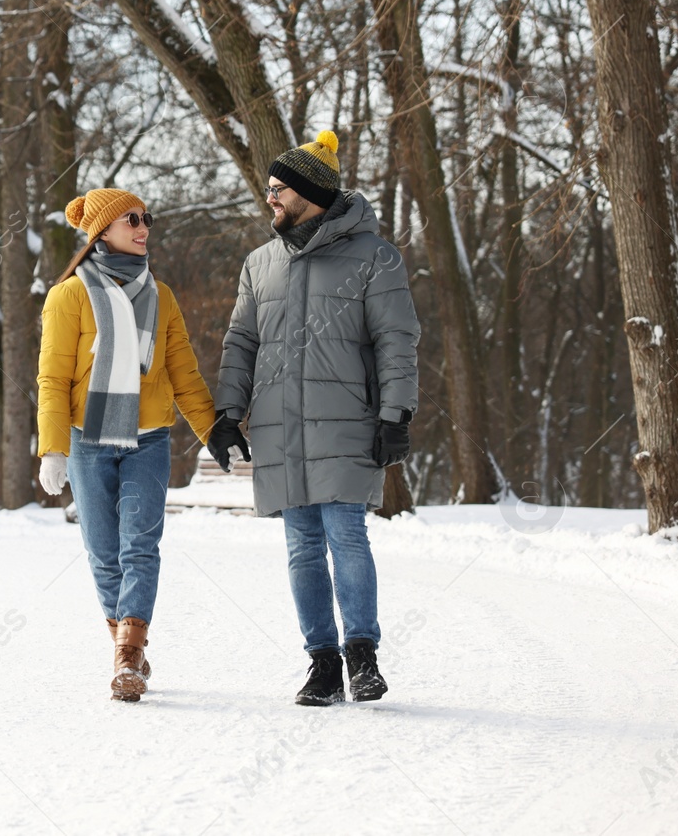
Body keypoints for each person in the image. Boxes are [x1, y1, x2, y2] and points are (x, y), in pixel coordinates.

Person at [207, 130, 420, 706]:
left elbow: (396, 338)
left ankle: (362, 657)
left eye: (279, 189)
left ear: (310, 192)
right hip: (278, 426)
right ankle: (322, 663)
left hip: (348, 419)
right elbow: (240, 342)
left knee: (346, 534)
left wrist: (395, 414)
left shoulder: (375, 257)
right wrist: (227, 413)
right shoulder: (260, 263)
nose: (270, 199)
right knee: (301, 546)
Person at [36, 188, 218, 702]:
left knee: (139, 545)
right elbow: (52, 378)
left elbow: (185, 375)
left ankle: (128, 657)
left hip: (149, 440)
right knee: (102, 553)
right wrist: (53, 448)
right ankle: (126, 642)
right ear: (102, 231)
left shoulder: (161, 296)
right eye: (130, 219)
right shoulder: (68, 296)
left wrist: (216, 435)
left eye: (146, 218)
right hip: (87, 442)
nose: (143, 227)